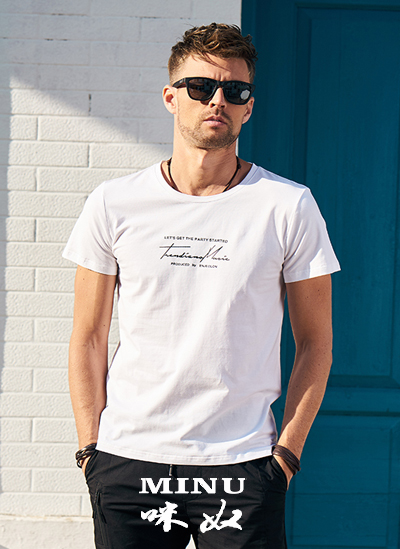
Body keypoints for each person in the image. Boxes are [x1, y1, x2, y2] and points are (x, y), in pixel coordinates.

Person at [63, 23, 340, 549]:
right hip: (130, 458)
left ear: (249, 107)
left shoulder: (287, 206)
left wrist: (286, 455)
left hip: (241, 465)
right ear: (171, 97)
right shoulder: (114, 203)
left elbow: (316, 342)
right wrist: (90, 450)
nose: (218, 100)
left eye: (235, 90)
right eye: (201, 87)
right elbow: (88, 336)